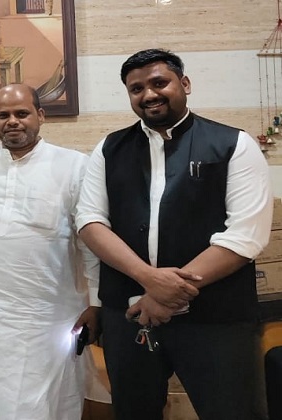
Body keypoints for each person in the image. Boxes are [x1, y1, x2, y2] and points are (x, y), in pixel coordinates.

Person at [76, 48, 273, 420]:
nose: (149, 94)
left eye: (159, 83)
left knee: (234, 410)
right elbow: (89, 222)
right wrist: (149, 280)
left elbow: (245, 235)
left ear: (184, 83)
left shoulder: (233, 144)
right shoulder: (109, 149)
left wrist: (165, 296)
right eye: (136, 89)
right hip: (130, 314)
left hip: (216, 318)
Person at [0, 83, 100, 420]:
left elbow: (91, 240)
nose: (12, 121)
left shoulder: (75, 165)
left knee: (47, 403)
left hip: (47, 314)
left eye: (22, 113)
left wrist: (96, 302)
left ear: (41, 116)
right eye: (2, 115)